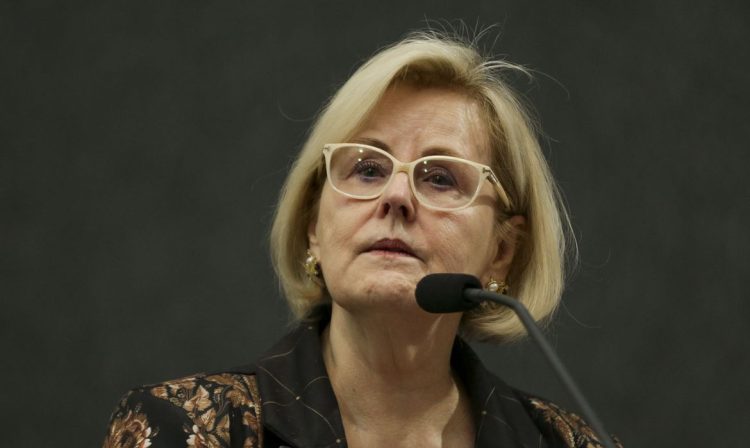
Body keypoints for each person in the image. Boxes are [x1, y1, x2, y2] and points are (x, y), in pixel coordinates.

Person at [103, 31, 621, 448]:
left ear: (501, 252)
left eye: (440, 177)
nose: (397, 196)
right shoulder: (189, 429)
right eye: (368, 169)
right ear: (314, 230)